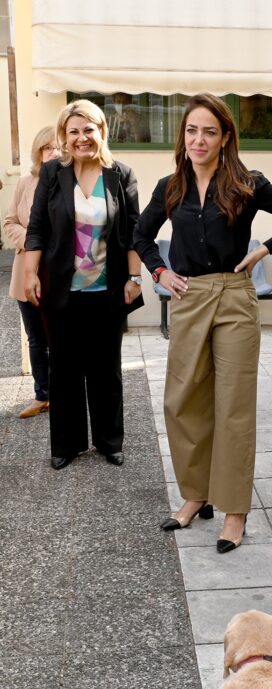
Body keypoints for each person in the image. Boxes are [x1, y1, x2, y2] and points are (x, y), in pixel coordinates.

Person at [133, 94, 272, 552]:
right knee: (183, 400)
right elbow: (138, 234)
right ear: (183, 136)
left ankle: (235, 510)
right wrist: (159, 270)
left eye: (209, 131)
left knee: (232, 407)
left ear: (225, 137)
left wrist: (262, 251)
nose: (199, 139)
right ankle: (196, 495)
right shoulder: (169, 186)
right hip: (188, 297)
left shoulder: (247, 183)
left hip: (233, 297)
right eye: (192, 130)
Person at [23, 100, 145, 470]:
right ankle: (67, 444)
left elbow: (134, 232)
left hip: (107, 289)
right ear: (64, 136)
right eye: (73, 132)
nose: (81, 138)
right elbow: (37, 227)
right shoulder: (51, 174)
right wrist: (30, 272)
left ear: (102, 132)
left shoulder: (121, 174)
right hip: (61, 289)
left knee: (106, 367)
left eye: (88, 130)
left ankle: (110, 441)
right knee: (64, 368)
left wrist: (135, 277)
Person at [4, 127, 60, 419]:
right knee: (36, 338)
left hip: (60, 274)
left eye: (59, 147)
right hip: (25, 271)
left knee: (61, 337)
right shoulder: (26, 183)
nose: (54, 153)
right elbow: (10, 222)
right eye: (48, 148)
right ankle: (42, 395)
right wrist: (33, 240)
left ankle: (66, 392)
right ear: (39, 152)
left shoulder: (71, 183)